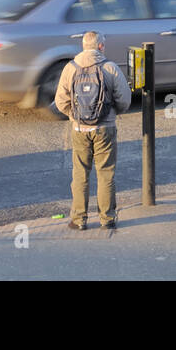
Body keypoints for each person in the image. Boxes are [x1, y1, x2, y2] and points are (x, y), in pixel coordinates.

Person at [54, 31, 131, 231]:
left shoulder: (70, 68)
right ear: (101, 47)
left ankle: (79, 220)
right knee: (106, 173)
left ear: (83, 46)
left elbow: (61, 102)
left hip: (80, 129)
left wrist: (75, 116)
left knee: (80, 173)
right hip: (105, 128)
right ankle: (107, 219)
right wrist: (112, 113)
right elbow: (125, 99)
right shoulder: (110, 68)